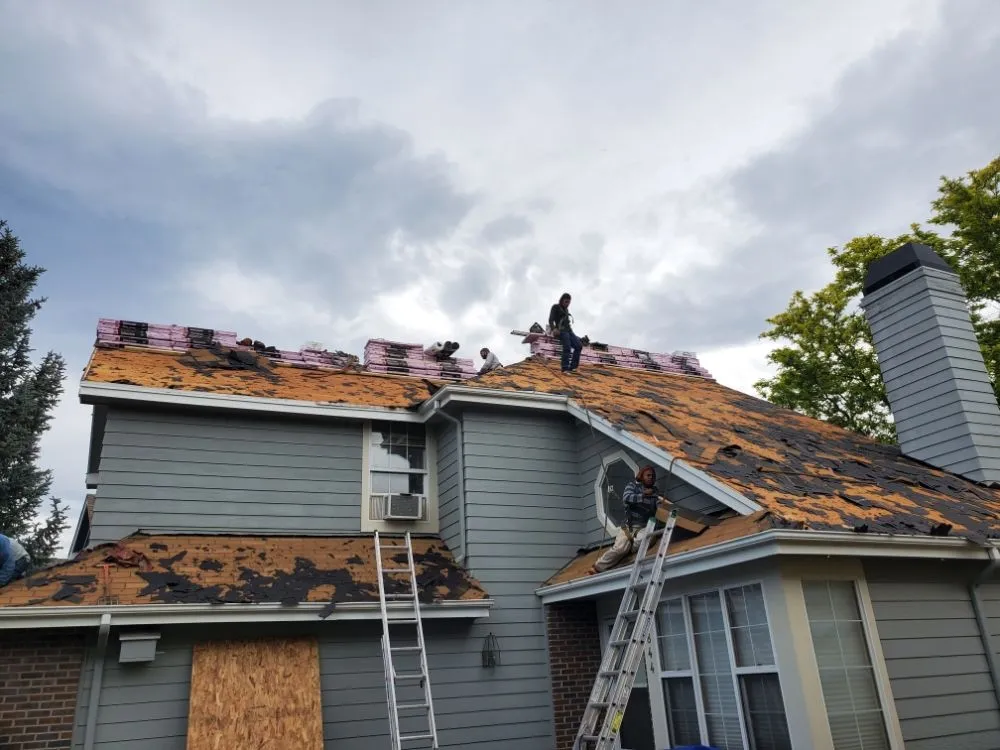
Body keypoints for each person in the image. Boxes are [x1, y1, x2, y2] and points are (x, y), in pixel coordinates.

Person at [592, 466, 665, 574]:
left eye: (652, 476)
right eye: (648, 475)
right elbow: (627, 498)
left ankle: (629, 547)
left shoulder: (655, 492)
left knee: (649, 538)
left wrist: (660, 506)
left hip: (643, 527)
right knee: (620, 549)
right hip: (629, 526)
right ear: (642, 476)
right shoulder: (633, 486)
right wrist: (643, 495)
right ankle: (597, 567)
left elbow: (657, 508)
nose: (651, 477)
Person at [548, 292, 583, 373]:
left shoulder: (566, 310)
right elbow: (550, 320)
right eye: (566, 302)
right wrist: (554, 329)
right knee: (567, 347)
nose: (567, 304)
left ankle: (573, 367)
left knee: (579, 346)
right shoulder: (555, 307)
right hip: (561, 331)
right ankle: (565, 368)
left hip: (569, 331)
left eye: (569, 302)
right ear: (562, 300)